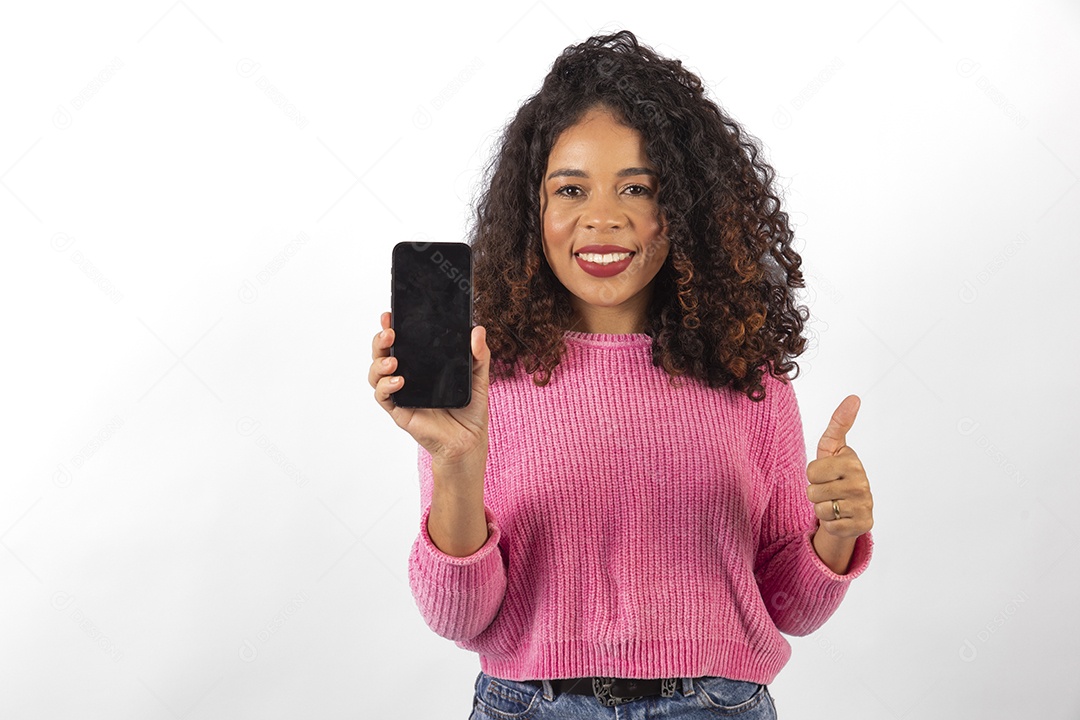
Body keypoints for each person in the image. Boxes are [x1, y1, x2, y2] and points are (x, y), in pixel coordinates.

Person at [369, 30, 874, 719]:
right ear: (533, 211)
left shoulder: (743, 375)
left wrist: (835, 532)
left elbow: (791, 607)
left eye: (636, 188)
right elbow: (462, 621)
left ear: (683, 212)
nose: (602, 220)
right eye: (570, 189)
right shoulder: (484, 378)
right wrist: (457, 462)